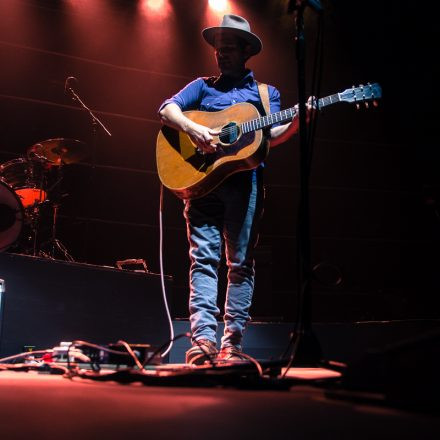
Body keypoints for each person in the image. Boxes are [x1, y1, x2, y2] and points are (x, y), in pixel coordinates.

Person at [158, 14, 314, 364]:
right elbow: (167, 110)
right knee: (203, 260)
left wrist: (298, 121)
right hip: (201, 181)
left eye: (228, 49)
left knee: (240, 263)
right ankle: (202, 342)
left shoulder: (265, 94)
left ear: (246, 51)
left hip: (245, 185)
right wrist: (193, 129)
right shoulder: (202, 86)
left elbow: (271, 136)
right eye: (218, 49)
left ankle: (232, 345)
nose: (221, 55)